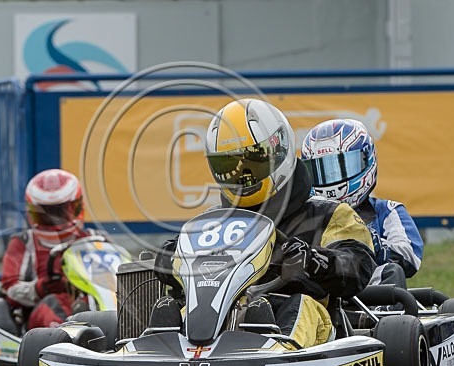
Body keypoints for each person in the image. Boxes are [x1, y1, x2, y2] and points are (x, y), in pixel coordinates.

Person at [154, 99, 376, 348]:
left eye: (252, 162)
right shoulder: (215, 224)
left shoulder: (328, 214)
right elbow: (172, 257)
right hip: (222, 320)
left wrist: (314, 261)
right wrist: (173, 256)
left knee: (301, 306)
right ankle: (158, 351)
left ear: (279, 151)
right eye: (228, 165)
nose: (241, 177)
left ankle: (280, 351)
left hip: (305, 325)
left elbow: (357, 264)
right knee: (175, 309)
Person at [301, 119, 423, 289]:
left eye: (341, 166)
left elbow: (411, 256)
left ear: (367, 160)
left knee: (391, 271)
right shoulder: (306, 215)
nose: (331, 177)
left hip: (368, 294)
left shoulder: (387, 211)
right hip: (318, 290)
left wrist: (373, 244)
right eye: (322, 170)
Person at [1, 169, 94, 330]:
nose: (55, 220)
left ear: (77, 208)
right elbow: (9, 290)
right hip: (43, 310)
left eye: (61, 212)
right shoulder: (23, 242)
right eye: (46, 214)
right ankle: (67, 336)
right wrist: (41, 288)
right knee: (52, 303)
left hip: (91, 304)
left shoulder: (94, 239)